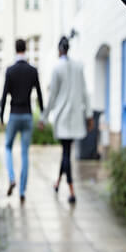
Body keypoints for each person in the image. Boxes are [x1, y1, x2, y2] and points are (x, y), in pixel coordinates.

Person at [39, 36, 93, 204]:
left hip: (63, 118)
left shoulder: (57, 68)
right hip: (75, 119)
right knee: (66, 152)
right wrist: (89, 115)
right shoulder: (79, 67)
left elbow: (52, 96)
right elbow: (85, 92)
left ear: (59, 50)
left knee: (66, 154)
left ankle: (71, 190)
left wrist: (44, 117)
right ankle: (57, 183)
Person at [0, 39, 44, 204]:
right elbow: (39, 93)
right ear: (25, 50)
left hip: (14, 114)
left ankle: (11, 177)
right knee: (25, 153)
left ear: (15, 49)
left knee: (8, 147)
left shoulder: (10, 71)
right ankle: (22, 191)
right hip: (27, 115)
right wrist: (43, 116)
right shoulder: (33, 70)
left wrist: (0, 117)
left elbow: (4, 95)